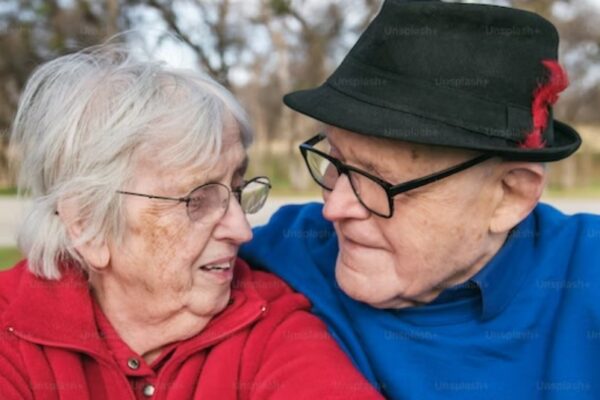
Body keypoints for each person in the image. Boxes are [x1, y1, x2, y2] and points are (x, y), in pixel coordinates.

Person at [240, 1, 600, 399]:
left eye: (380, 181)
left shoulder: (587, 275)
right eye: (335, 162)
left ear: (509, 195)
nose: (333, 208)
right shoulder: (279, 251)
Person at [0, 45, 383, 399]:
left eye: (236, 189)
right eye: (197, 200)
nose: (242, 230)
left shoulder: (267, 323)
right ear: (86, 223)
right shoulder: (12, 329)